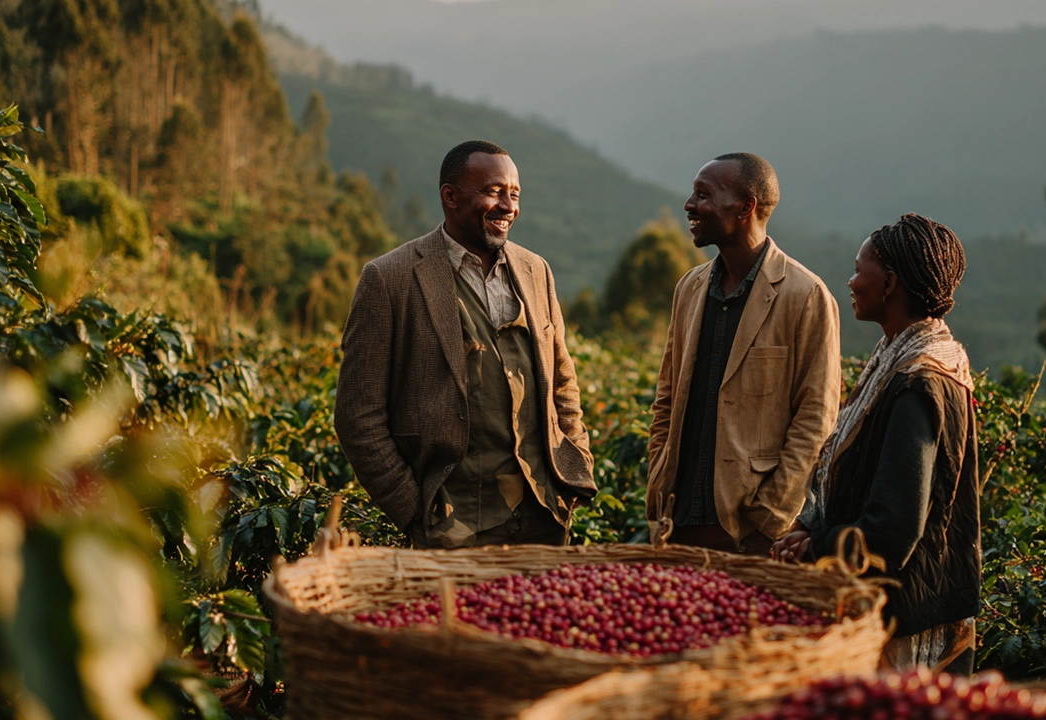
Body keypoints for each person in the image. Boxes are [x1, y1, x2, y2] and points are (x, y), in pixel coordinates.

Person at [335, 140, 596, 549]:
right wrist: (415, 513)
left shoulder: (535, 271)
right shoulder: (390, 280)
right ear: (450, 197)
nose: (508, 206)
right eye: (494, 191)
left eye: (514, 194)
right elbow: (358, 416)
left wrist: (574, 465)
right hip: (452, 527)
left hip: (544, 516)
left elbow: (563, 382)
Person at [771, 213, 980, 674]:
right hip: (890, 602)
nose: (850, 281)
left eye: (858, 269)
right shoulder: (897, 360)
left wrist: (815, 547)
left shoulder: (919, 382)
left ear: (888, 284)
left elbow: (892, 528)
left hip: (908, 614)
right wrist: (809, 527)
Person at [646, 153, 841, 555]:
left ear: (746, 207)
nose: (689, 204)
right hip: (677, 521)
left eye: (704, 194)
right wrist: (658, 475)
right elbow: (667, 397)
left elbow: (816, 418)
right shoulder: (690, 288)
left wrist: (770, 516)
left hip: (750, 530)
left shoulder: (805, 295)